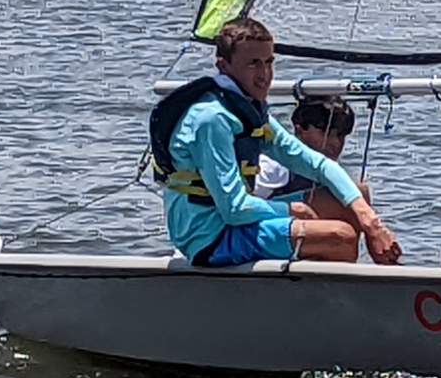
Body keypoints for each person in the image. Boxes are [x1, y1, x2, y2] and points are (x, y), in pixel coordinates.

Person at [150, 18, 402, 267]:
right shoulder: (212, 119)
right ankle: (331, 304)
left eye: (269, 62)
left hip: (235, 223)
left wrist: (371, 222)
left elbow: (318, 165)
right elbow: (234, 209)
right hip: (209, 238)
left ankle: (389, 278)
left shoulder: (250, 113)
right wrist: (292, 211)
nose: (264, 76)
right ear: (224, 66)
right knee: (339, 237)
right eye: (253, 64)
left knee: (357, 197)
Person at [254, 96, 372, 227]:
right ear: (300, 130)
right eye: (325, 134)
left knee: (360, 192)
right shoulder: (275, 166)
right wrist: (293, 210)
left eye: (341, 135)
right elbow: (247, 204)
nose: (336, 143)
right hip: (272, 229)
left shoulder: (334, 172)